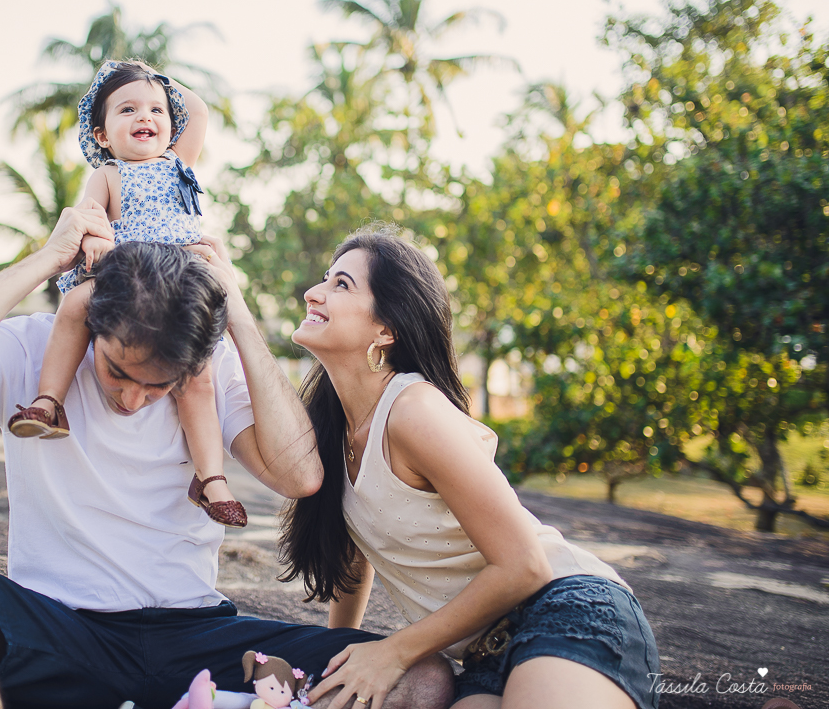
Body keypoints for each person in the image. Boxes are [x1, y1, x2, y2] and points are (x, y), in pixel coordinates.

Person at [0, 208, 454, 709]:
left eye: (159, 387)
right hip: (61, 628)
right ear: (90, 326)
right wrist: (50, 257)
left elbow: (300, 475)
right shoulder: (37, 349)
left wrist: (240, 317)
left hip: (195, 636)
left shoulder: (213, 371)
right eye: (117, 372)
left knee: (421, 679)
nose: (132, 398)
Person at [280, 225, 660, 709]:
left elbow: (524, 565)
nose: (314, 292)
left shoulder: (414, 410)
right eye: (325, 279)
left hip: (567, 609)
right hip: (484, 656)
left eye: (342, 284)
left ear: (386, 329)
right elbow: (357, 556)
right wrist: (338, 658)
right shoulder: (334, 430)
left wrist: (392, 653)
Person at [5, 60, 246, 528]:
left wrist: (145, 73)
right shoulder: (109, 174)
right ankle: (50, 402)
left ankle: (210, 478)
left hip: (177, 282)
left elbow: (195, 108)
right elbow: (90, 215)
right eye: (128, 109)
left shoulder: (180, 162)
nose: (145, 117)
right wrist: (95, 237)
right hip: (124, 273)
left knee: (196, 375)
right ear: (100, 135)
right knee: (75, 304)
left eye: (156, 109)